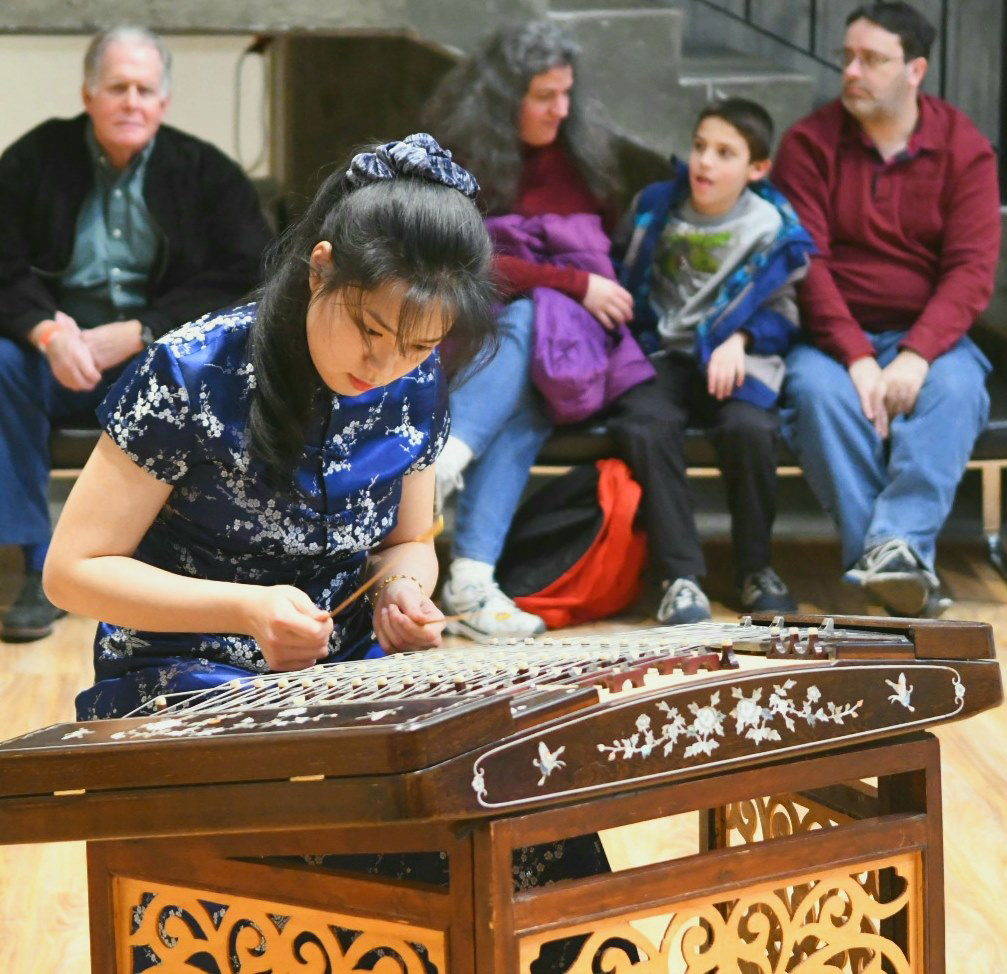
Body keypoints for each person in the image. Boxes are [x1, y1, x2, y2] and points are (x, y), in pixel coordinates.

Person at [41, 133, 496, 720]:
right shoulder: (190, 372)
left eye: (419, 345)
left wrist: (399, 592)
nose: (385, 367)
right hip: (180, 667)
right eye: (372, 331)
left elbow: (406, 542)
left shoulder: (417, 380)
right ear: (321, 268)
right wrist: (247, 610)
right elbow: (72, 572)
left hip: (347, 668)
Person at [0, 26, 273, 643]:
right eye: (116, 88)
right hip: (56, 358)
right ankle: (36, 563)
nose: (131, 102)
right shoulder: (35, 159)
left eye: (144, 90)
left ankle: (178, 565)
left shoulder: (203, 170)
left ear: (164, 102)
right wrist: (44, 330)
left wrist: (143, 331)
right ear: (88, 96)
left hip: (153, 362)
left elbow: (246, 271)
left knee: (214, 372)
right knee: (0, 363)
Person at [423, 20, 654, 642]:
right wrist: (572, 284)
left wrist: (568, 284)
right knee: (526, 351)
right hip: (463, 324)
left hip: (556, 345)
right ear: (506, 98)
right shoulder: (457, 156)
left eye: (567, 94)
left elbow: (592, 254)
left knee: (532, 359)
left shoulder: (576, 158)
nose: (562, 109)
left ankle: (444, 470)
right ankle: (470, 579)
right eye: (545, 96)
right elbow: (461, 260)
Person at [773, 2, 1001, 616]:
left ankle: (890, 551)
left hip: (930, 336)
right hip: (829, 337)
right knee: (818, 397)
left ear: (915, 70)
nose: (852, 70)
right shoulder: (808, 143)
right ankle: (896, 562)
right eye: (848, 56)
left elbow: (972, 271)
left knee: (958, 391)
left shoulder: (965, 148)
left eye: (871, 59)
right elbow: (806, 264)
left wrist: (917, 355)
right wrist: (855, 356)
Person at [610, 98, 815, 623]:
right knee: (645, 422)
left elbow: (785, 312)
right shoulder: (656, 205)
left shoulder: (772, 227)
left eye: (726, 153)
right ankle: (679, 576)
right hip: (665, 351)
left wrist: (741, 339)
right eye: (700, 147)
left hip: (734, 355)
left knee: (749, 427)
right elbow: (621, 273)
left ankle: (754, 569)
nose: (705, 163)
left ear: (757, 168)